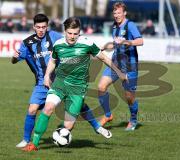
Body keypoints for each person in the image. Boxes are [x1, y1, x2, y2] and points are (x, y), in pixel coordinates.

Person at [22, 17, 127, 151]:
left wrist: (119, 73)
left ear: (79, 32)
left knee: (68, 126)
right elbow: (53, 61)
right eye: (69, 33)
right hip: (60, 83)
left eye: (75, 34)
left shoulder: (87, 43)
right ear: (65, 31)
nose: (72, 37)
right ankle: (34, 144)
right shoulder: (58, 44)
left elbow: (104, 58)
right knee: (47, 108)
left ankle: (94, 126)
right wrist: (47, 75)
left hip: (77, 88)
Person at [12, 14, 103, 149]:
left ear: (47, 26)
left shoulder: (55, 36)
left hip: (63, 79)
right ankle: (26, 140)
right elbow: (15, 60)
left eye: (44, 27)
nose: (41, 30)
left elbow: (71, 45)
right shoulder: (27, 43)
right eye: (38, 27)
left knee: (79, 103)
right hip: (42, 82)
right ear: (33, 27)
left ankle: (96, 126)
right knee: (32, 110)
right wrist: (14, 57)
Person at [98, 2, 143, 131]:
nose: (116, 15)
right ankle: (108, 115)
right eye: (115, 13)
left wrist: (127, 42)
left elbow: (140, 41)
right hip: (115, 63)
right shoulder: (114, 26)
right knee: (101, 87)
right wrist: (104, 47)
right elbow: (115, 44)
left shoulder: (130, 25)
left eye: (119, 13)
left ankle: (133, 119)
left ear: (124, 13)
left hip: (130, 66)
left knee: (129, 97)